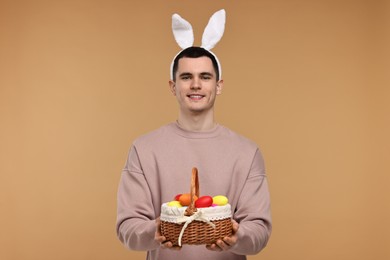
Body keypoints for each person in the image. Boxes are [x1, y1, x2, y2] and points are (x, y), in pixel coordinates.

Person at [116, 10, 271, 260]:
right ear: (173, 86)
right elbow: (127, 227)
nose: (196, 85)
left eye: (205, 77)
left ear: (218, 86)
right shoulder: (144, 149)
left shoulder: (247, 152)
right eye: (186, 77)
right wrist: (156, 231)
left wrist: (236, 237)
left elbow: (259, 232)